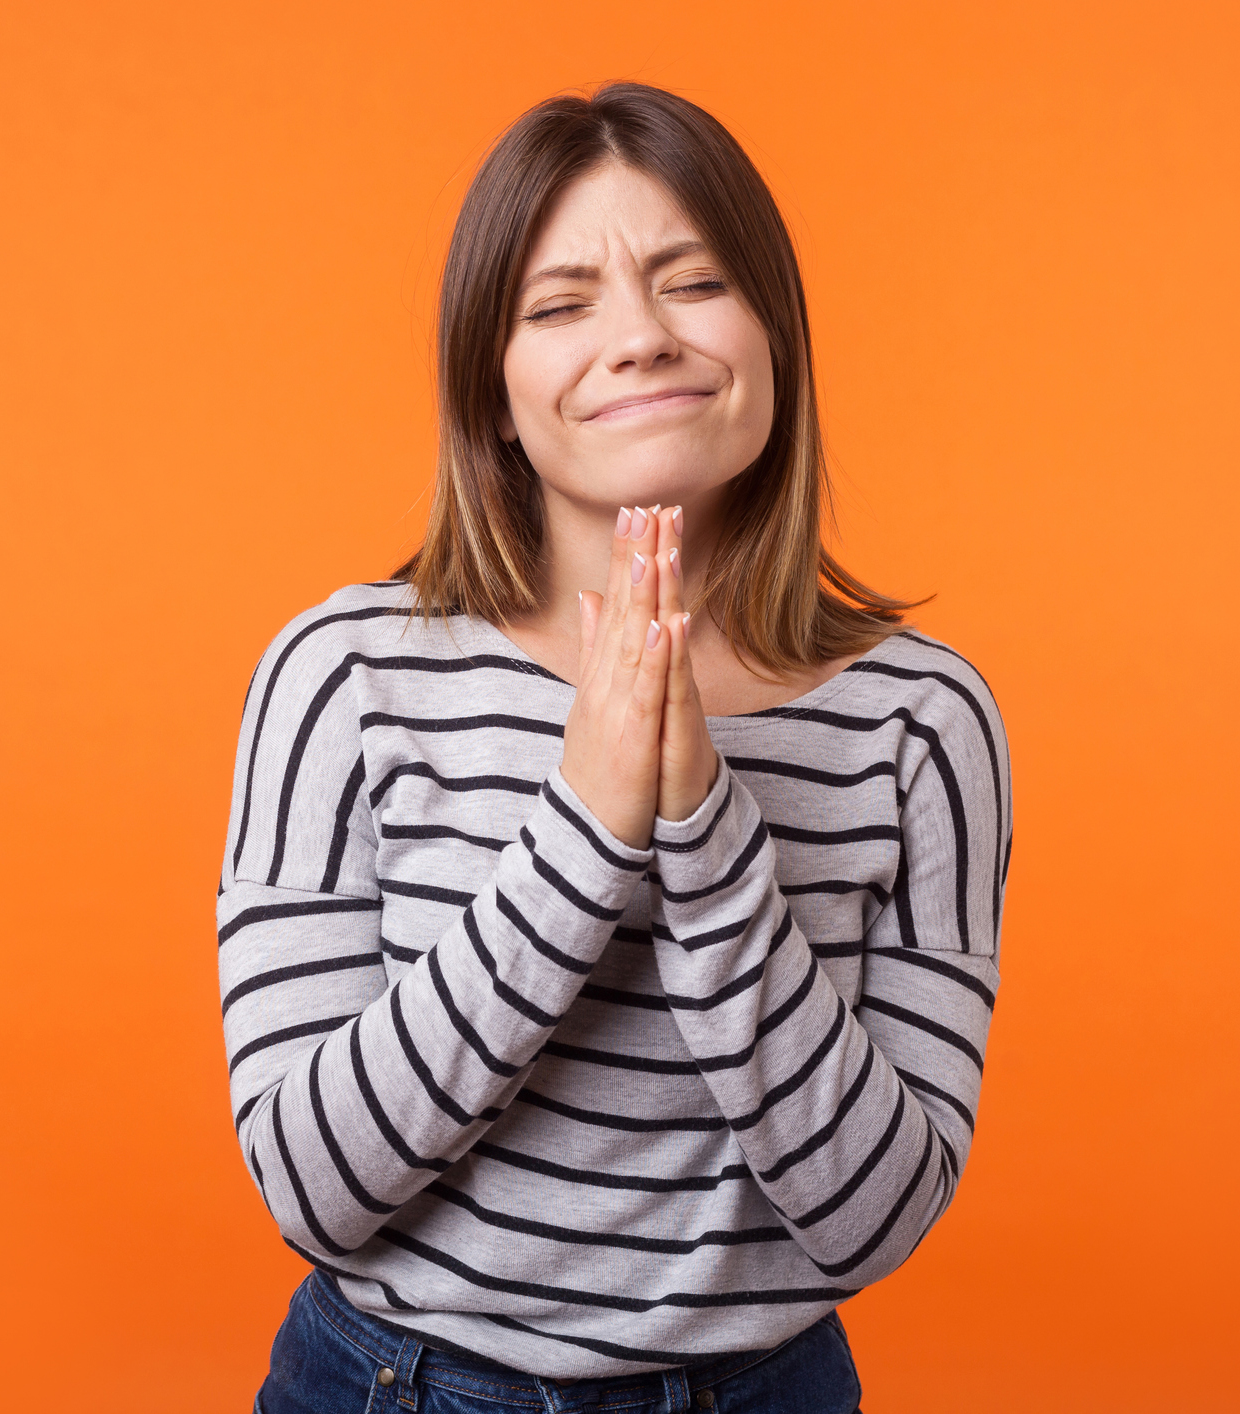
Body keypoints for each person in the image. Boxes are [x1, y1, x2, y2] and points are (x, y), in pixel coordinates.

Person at [219, 81, 1010, 1414]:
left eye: (692, 282)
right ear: (497, 381)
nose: (638, 338)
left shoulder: (921, 720)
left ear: (773, 335)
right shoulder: (342, 675)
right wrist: (586, 819)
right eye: (560, 302)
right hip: (393, 1384)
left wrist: (700, 818)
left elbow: (870, 1219)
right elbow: (312, 1180)